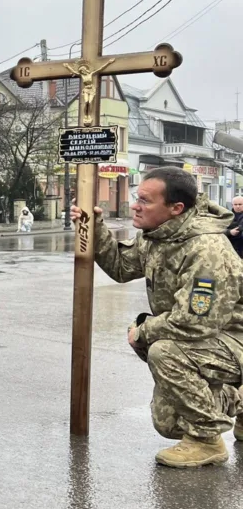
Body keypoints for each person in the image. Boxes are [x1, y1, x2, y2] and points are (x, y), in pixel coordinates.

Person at [72, 166, 243, 468]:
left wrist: (143, 331)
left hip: (232, 340)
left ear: (176, 208)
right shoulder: (158, 235)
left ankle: (207, 441)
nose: (135, 206)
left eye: (145, 201)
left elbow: (195, 322)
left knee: (164, 351)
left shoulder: (206, 249)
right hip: (205, 339)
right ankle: (238, 401)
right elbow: (121, 267)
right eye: (137, 197)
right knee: (168, 422)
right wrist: (93, 226)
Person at [226, 195, 243, 260]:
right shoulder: (227, 216)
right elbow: (219, 230)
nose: (238, 206)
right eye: (235, 204)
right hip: (230, 247)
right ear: (232, 205)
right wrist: (230, 232)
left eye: (240, 204)